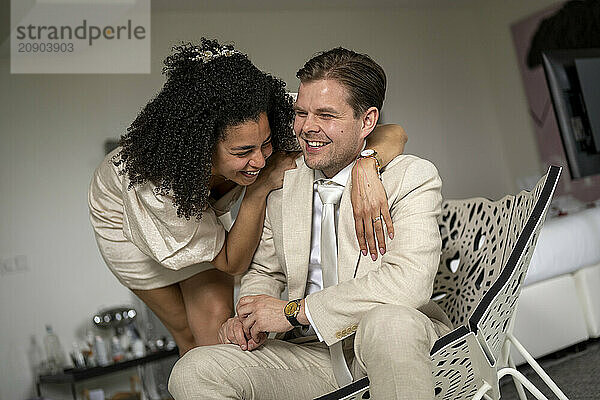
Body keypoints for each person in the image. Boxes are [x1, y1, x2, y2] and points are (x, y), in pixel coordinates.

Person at [88, 39, 408, 356]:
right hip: (121, 223)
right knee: (187, 336)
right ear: (202, 148)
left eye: (266, 144)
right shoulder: (156, 187)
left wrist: (368, 163)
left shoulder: (268, 113)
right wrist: (259, 190)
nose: (259, 161)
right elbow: (232, 262)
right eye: (243, 151)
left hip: (197, 214)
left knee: (215, 333)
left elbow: (389, 132)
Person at [167, 47, 454, 399]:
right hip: (312, 357)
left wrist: (293, 312)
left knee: (389, 322)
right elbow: (265, 273)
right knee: (192, 371)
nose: (307, 128)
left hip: (390, 346)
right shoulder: (283, 182)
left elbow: (408, 284)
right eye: (301, 113)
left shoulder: (411, 177)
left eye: (326, 115)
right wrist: (251, 317)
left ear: (367, 122)